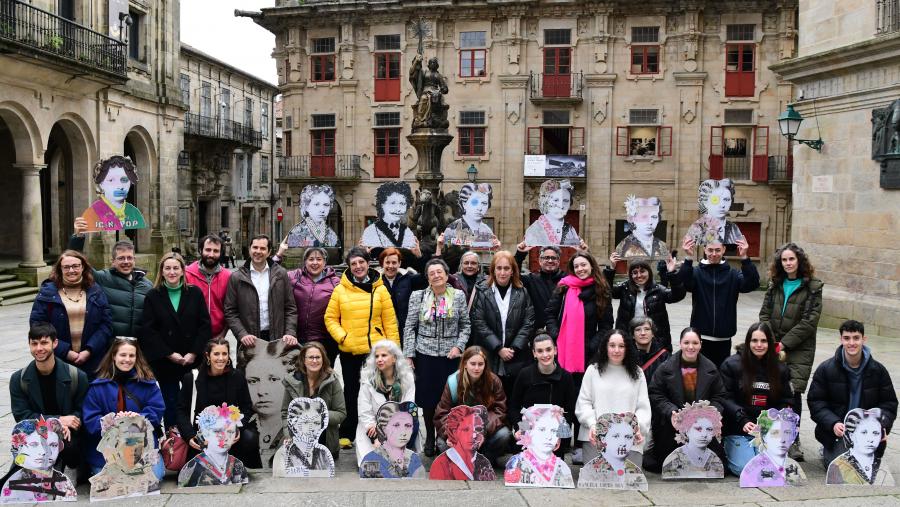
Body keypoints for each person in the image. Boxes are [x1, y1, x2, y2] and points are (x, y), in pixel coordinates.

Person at [325, 247, 400, 447]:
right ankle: (348, 430)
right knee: (351, 391)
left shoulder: (381, 289)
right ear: (349, 267)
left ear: (368, 263)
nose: (358, 267)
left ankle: (377, 430)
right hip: (350, 350)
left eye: (361, 262)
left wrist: (394, 352)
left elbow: (390, 323)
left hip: (376, 353)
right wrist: (343, 337)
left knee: (377, 391)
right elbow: (330, 318)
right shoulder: (340, 290)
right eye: (353, 264)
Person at [759, 242, 823, 461]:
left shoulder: (813, 287)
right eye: (784, 260)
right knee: (772, 388)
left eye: (792, 259)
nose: (788, 263)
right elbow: (764, 315)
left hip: (799, 347)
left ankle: (793, 439)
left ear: (800, 261)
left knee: (793, 392)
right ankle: (772, 434)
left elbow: (809, 321)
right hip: (774, 344)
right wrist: (772, 341)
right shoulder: (774, 284)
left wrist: (783, 344)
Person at [403, 258, 470, 456]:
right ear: (428, 277)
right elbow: (409, 326)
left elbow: (466, 325)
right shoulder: (419, 296)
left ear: (446, 274)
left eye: (439, 272)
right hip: (426, 354)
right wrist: (409, 354)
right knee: (428, 399)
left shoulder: (457, 296)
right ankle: (430, 437)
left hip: (450, 356)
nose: (436, 276)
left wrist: (459, 346)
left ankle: (448, 435)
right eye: (432, 273)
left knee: (450, 397)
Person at [807, 320, 897, 467]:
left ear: (863, 339)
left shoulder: (878, 371)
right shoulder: (825, 369)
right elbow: (816, 402)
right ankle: (828, 450)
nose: (852, 343)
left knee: (865, 470)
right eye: (847, 338)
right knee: (842, 468)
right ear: (841, 339)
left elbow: (890, 403)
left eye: (856, 338)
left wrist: (881, 425)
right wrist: (833, 423)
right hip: (838, 433)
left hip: (867, 432)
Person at [140, 252, 212, 430]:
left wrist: (194, 352)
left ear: (182, 271)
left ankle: (196, 434)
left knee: (194, 399)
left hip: (192, 359)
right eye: (167, 268)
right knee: (170, 402)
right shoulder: (153, 296)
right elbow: (148, 331)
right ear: (162, 272)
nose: (172, 272)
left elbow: (204, 325)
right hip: (166, 360)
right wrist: (169, 354)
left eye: (175, 268)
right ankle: (174, 442)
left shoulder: (194, 293)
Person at [9, 322, 88, 483]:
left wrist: (69, 421)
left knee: (71, 445)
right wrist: (57, 421)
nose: (39, 348)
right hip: (36, 434)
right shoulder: (19, 379)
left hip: (68, 435)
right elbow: (22, 416)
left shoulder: (77, 376)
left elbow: (82, 410)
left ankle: (71, 467)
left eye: (44, 342)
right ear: (29, 345)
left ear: (55, 343)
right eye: (34, 343)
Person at [647, 327, 728, 472]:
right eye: (686, 343)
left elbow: (720, 396)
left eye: (695, 343)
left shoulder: (711, 368)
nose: (691, 347)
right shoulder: (665, 368)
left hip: (702, 425)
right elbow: (655, 393)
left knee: (718, 466)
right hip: (673, 426)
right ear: (680, 344)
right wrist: (671, 410)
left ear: (701, 344)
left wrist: (710, 413)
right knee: (664, 464)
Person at [82, 337, 165, 478]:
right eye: (123, 355)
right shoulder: (97, 387)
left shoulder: (148, 383)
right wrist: (113, 422)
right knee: (113, 481)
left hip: (141, 447)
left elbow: (156, 411)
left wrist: (136, 420)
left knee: (155, 477)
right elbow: (90, 420)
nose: (127, 359)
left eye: (131, 355)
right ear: (114, 356)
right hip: (108, 451)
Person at [719, 322, 793, 475]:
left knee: (770, 468)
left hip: (767, 431)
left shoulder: (781, 369)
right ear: (748, 342)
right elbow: (725, 398)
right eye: (754, 341)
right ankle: (728, 450)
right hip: (738, 428)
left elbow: (787, 401)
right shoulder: (731, 365)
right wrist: (742, 419)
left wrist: (772, 421)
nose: (759, 345)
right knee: (745, 469)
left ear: (770, 343)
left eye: (764, 341)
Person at [177, 337, 260, 468]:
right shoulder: (191, 378)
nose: (221, 358)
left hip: (230, 435)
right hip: (203, 435)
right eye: (216, 354)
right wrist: (190, 435)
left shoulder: (237, 376)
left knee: (250, 437)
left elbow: (247, 407)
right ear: (207, 356)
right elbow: (181, 411)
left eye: (224, 354)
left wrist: (237, 428)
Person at [678, 236, 760, 368]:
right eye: (710, 250)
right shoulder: (697, 273)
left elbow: (751, 284)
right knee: (701, 378)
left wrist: (744, 257)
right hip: (700, 338)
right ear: (704, 249)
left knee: (721, 378)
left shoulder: (733, 274)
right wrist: (688, 258)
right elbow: (683, 283)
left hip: (724, 338)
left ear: (724, 250)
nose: (714, 254)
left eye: (717, 250)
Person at [29, 250, 113, 379]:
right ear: (59, 269)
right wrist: (66, 352)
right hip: (58, 360)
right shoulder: (46, 293)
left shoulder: (96, 291)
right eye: (66, 267)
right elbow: (38, 327)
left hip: (93, 361)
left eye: (75, 266)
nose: (71, 270)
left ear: (83, 267)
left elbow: (106, 325)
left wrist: (89, 350)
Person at [575, 330, 650, 464]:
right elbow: (583, 403)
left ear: (627, 348)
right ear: (605, 347)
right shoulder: (593, 370)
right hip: (596, 437)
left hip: (628, 438)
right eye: (612, 345)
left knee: (629, 480)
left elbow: (643, 407)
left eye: (621, 346)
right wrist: (592, 424)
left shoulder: (638, 373)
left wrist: (637, 426)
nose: (616, 350)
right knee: (597, 478)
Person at [70, 219, 152, 338]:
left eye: (129, 258)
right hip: (110, 344)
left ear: (135, 260)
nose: (126, 262)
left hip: (137, 346)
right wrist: (78, 237)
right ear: (112, 262)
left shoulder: (147, 285)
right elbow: (78, 264)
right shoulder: (103, 278)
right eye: (121, 258)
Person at [470, 251, 535, 397]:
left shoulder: (522, 292)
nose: (502, 272)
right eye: (499, 268)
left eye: (506, 268)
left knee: (512, 396)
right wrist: (498, 347)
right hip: (489, 353)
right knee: (489, 396)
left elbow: (528, 322)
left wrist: (513, 348)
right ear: (493, 270)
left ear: (513, 271)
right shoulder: (483, 291)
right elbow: (479, 322)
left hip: (516, 355)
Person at [546, 251, 613, 389]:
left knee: (585, 391)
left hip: (589, 353)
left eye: (583, 265)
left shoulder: (601, 290)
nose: (580, 269)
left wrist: (591, 345)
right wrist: (556, 335)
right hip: (563, 348)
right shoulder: (563, 287)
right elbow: (550, 314)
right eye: (576, 266)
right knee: (563, 390)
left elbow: (606, 325)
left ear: (592, 266)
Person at [434, 346, 511, 468]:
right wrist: (451, 434)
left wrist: (480, 431)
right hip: (459, 432)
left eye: (480, 364)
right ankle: (461, 461)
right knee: (441, 443)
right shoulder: (453, 382)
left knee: (504, 434)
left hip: (484, 433)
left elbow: (500, 410)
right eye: (473, 364)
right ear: (465, 364)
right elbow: (442, 413)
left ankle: (485, 460)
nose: (476, 368)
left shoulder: (494, 381)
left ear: (485, 365)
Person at [224, 234, 299, 351]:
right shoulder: (237, 277)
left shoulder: (280, 274)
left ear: (269, 252)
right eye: (255, 247)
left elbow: (290, 308)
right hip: (250, 340)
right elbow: (230, 311)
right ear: (249, 249)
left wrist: (290, 332)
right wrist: (242, 334)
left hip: (278, 339)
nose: (258, 251)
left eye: (263, 248)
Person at [508, 333, 577, 457]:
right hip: (529, 435)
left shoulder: (566, 377)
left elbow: (570, 410)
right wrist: (522, 430)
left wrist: (561, 436)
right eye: (540, 351)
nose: (545, 355)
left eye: (548, 349)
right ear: (534, 353)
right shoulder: (524, 375)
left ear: (555, 350)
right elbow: (514, 406)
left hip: (554, 438)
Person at [272, 245, 342, 366]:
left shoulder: (335, 282)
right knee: (299, 376)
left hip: (325, 340)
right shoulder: (294, 277)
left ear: (325, 262)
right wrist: (279, 254)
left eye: (319, 259)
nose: (315, 263)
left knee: (323, 377)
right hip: (298, 339)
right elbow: (273, 273)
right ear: (305, 261)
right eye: (311, 259)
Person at [238, 340, 301, 467]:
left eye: (273, 379)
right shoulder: (244, 429)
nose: (262, 391)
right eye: (253, 381)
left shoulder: (299, 428)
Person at [282, 342, 347, 461]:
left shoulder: (332, 380)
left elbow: (341, 413)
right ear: (303, 360)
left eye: (318, 357)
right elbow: (285, 413)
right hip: (298, 442)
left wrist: (318, 415)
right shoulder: (292, 381)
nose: (314, 361)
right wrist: (288, 435)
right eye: (311, 357)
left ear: (323, 359)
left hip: (326, 444)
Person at [606, 256, 684, 351]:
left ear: (649, 272)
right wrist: (611, 269)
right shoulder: (625, 288)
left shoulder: (657, 289)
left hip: (655, 338)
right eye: (635, 273)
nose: (639, 275)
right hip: (629, 337)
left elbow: (677, 296)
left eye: (642, 271)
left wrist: (672, 273)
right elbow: (607, 291)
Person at [356, 341, 416, 464]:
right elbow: (364, 411)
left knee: (401, 465)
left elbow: (408, 409)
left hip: (400, 428)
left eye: (384, 355)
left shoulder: (407, 378)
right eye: (377, 356)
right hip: (372, 428)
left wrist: (388, 437)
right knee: (374, 465)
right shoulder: (368, 380)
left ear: (394, 358)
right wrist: (376, 436)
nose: (379, 359)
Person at [0, 418, 77, 503]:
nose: (45, 452)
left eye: (53, 445)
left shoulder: (63, 483)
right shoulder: (12, 485)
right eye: (34, 445)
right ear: (20, 448)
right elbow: (21, 412)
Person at [87, 413, 160, 501]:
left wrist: (138, 416)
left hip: (139, 432)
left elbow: (155, 408)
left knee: (157, 473)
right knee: (107, 481)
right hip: (105, 454)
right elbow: (90, 419)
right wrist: (112, 422)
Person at [177, 404, 249, 487]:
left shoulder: (238, 465)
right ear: (205, 433)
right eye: (217, 431)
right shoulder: (192, 468)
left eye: (230, 432)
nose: (225, 438)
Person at [504, 404, 574, 487]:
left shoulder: (562, 467)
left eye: (554, 431)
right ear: (529, 432)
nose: (549, 437)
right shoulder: (516, 463)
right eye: (542, 429)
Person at [577, 412, 648, 490]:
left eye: (628, 437)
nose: (623, 443)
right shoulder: (590, 469)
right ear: (603, 439)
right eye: (616, 436)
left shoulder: (635, 471)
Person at [826, 408, 895, 485]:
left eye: (875, 433)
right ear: (851, 435)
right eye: (864, 432)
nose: (870, 439)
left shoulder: (880, 464)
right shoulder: (838, 467)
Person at [739, 408, 806, 487]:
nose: (782, 440)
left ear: (793, 437)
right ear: (763, 437)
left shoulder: (793, 466)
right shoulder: (753, 469)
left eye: (787, 433)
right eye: (775, 433)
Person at [359, 401, 426, 478]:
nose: (403, 432)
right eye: (396, 425)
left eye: (408, 425)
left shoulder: (414, 460)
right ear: (383, 429)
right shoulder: (370, 461)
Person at [660, 400, 725, 478]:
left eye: (709, 429)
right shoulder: (674, 459)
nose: (704, 435)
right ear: (686, 430)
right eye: (698, 429)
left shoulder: (715, 459)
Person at [429, 405, 496, 481]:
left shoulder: (484, 463)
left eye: (478, 429)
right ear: (454, 431)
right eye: (466, 430)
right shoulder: (441, 464)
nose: (473, 435)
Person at [80, 156, 146, 231]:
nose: (119, 186)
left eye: (124, 180)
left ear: (130, 182)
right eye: (111, 180)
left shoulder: (135, 213)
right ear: (101, 184)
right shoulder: (92, 213)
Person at [185, 234, 231, 340]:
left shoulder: (228, 277)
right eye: (208, 250)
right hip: (191, 337)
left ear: (220, 253)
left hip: (217, 337)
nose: (211, 254)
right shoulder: (187, 274)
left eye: (216, 251)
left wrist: (222, 334)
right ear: (201, 250)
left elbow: (231, 309)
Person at [513, 244, 565, 332]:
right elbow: (513, 276)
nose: (550, 260)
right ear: (540, 261)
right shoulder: (531, 280)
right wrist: (520, 254)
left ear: (558, 261)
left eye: (554, 258)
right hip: (537, 333)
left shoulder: (567, 280)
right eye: (546, 257)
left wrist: (585, 252)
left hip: (562, 331)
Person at [377, 247, 421, 346]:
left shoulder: (408, 278)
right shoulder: (375, 281)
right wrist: (364, 254)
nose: (390, 266)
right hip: (383, 332)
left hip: (405, 332)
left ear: (399, 263)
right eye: (387, 263)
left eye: (394, 262)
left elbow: (426, 277)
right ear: (382, 264)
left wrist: (419, 257)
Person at [281, 397, 335, 476]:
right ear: (293, 425)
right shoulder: (285, 454)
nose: (311, 428)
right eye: (305, 422)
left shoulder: (323, 453)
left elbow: (328, 475)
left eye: (316, 423)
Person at [523, 179, 581, 247]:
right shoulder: (533, 231)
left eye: (565, 200)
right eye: (556, 200)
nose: (561, 206)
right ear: (546, 201)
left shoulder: (571, 230)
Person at [686, 178, 743, 246]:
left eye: (726, 199)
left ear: (731, 202)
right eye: (716, 200)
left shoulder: (734, 228)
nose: (722, 205)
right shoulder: (696, 229)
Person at [361, 181, 418, 248]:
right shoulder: (370, 232)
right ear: (382, 205)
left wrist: (418, 255)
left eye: (402, 204)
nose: (398, 209)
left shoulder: (408, 232)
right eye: (392, 203)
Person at [614, 195, 668, 261]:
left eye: (654, 217)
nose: (650, 222)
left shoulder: (663, 246)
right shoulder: (623, 247)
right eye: (644, 217)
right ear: (631, 219)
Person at [443, 183, 495, 249]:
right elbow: (445, 249)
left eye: (484, 203)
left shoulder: (487, 230)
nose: (480, 208)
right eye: (474, 202)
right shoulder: (452, 229)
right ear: (464, 203)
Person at [630, 317, 670, 382]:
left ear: (653, 334)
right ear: (633, 335)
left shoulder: (664, 357)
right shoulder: (626, 355)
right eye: (638, 330)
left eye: (647, 329)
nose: (643, 333)